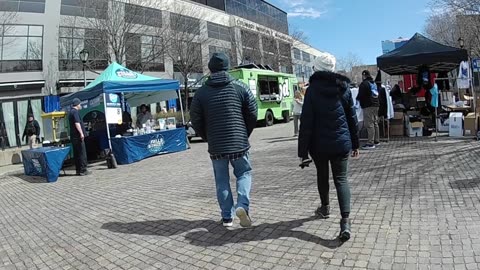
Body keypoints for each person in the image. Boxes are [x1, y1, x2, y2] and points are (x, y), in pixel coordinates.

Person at [190, 53, 257, 228]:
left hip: (216, 145)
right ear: (227, 67)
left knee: (222, 181)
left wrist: (207, 137)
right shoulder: (241, 87)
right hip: (239, 143)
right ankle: (242, 206)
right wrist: (244, 132)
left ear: (210, 69)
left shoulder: (201, 92)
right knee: (243, 173)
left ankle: (227, 217)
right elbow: (253, 113)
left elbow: (195, 120)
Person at [298, 60, 360, 242]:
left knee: (322, 175)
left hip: (319, 145)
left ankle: (325, 208)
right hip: (341, 144)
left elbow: (306, 122)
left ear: (317, 69)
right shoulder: (344, 88)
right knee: (341, 179)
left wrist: (303, 152)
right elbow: (352, 118)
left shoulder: (312, 90)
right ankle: (346, 222)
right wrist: (356, 144)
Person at [357, 70, 379, 149]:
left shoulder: (364, 84)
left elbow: (360, 95)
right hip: (376, 105)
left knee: (369, 124)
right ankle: (376, 140)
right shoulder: (373, 83)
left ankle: (370, 143)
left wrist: (357, 99)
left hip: (368, 105)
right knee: (375, 122)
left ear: (364, 75)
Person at [69, 98, 90, 176]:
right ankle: (83, 170)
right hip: (78, 136)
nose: (80, 105)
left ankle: (78, 170)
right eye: (80, 104)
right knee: (82, 153)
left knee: (77, 153)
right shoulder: (75, 112)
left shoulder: (70, 112)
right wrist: (81, 133)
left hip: (73, 136)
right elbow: (77, 123)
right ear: (77, 104)